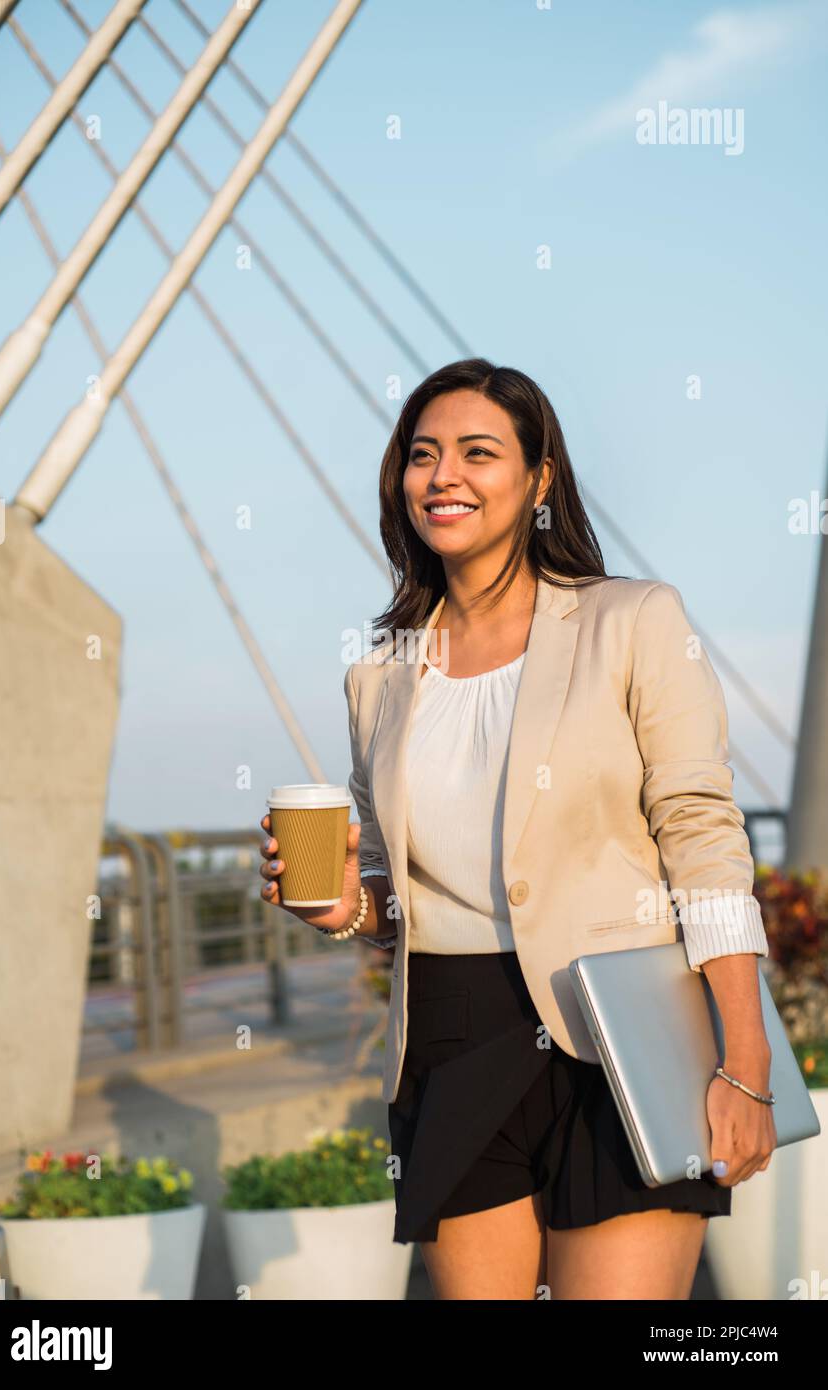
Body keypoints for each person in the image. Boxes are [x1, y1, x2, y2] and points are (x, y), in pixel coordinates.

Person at [259, 358, 777, 1301]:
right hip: (449, 1038)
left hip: (622, 1026)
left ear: (538, 479)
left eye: (476, 452)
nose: (442, 476)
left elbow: (701, 839)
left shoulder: (632, 622)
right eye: (422, 455)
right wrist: (344, 906)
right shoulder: (377, 677)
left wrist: (742, 1066)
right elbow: (389, 889)